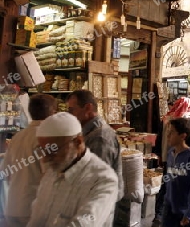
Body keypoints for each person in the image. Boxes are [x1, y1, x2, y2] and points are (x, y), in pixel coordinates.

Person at [27, 112, 118, 226]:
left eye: (53, 150)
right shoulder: (52, 173)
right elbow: (36, 219)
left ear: (78, 142)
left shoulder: (103, 180)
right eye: (42, 150)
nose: (45, 159)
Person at [66, 90, 123, 224]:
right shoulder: (88, 132)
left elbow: (97, 182)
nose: (70, 115)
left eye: (72, 110)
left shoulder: (100, 137)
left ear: (88, 108)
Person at [0, 94, 56, 227]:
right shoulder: (48, 137)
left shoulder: (18, 137)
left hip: (14, 208)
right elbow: (50, 175)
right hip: (35, 210)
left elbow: (5, 172)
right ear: (52, 112)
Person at [153, 97, 190, 227]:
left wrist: (160, 154)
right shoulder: (185, 121)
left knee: (166, 185)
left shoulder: (166, 118)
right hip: (178, 157)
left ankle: (159, 215)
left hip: (168, 158)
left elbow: (159, 139)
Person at [163, 118, 190, 227]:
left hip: (187, 210)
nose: (168, 135)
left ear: (183, 136)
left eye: (172, 132)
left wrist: (189, 214)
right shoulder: (170, 153)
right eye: (168, 132)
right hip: (170, 207)